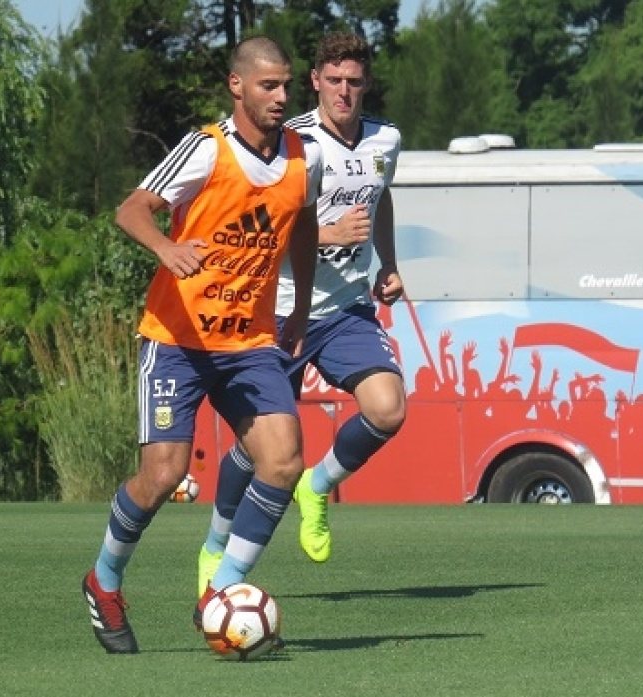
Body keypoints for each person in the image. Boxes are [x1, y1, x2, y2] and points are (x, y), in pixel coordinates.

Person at [81, 35, 322, 655]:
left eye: (287, 85)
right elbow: (131, 209)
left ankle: (222, 590)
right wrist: (166, 248)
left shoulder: (304, 156)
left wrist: (299, 305)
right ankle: (103, 580)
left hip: (249, 343)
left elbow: (304, 223)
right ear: (237, 86)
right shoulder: (206, 149)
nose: (282, 96)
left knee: (283, 460)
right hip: (178, 341)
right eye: (269, 85)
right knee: (164, 475)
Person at [199, 30, 405, 594]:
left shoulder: (386, 139)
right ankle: (214, 547)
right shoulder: (291, 142)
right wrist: (329, 233)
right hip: (278, 311)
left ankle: (316, 486)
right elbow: (262, 226)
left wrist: (388, 263)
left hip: (344, 308)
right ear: (314, 80)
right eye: (333, 80)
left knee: (388, 409)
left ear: (366, 83)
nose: (344, 91)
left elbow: (381, 196)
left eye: (354, 81)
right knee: (255, 447)